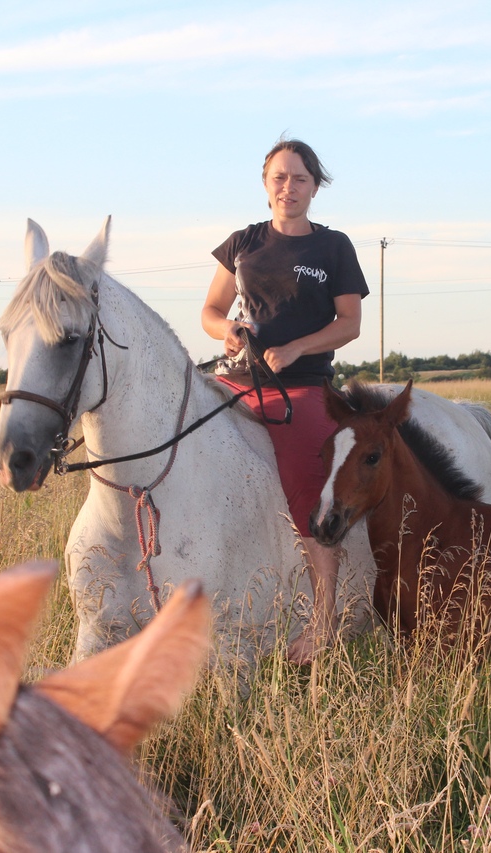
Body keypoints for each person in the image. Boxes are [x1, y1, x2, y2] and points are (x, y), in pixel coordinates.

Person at [201, 138, 368, 664]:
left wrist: (297, 348)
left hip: (301, 387)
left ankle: (323, 620)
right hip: (235, 377)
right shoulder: (242, 243)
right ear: (265, 183)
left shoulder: (333, 247)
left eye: (299, 178)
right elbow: (210, 310)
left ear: (314, 187)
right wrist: (226, 330)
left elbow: (350, 324)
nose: (288, 187)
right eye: (279, 177)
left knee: (306, 487)